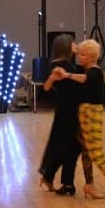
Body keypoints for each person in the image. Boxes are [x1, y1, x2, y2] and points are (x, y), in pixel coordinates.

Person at [48, 40, 105, 201]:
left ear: (91, 57)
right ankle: (87, 185)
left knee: (94, 153)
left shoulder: (95, 72)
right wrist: (76, 51)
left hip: (91, 114)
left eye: (83, 55)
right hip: (85, 113)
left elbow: (87, 78)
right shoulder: (87, 69)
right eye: (79, 54)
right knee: (84, 151)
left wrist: (66, 75)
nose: (79, 57)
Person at [38, 34, 83, 196]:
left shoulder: (61, 65)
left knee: (68, 146)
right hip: (69, 111)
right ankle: (53, 177)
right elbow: (47, 87)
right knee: (68, 147)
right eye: (74, 43)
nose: (76, 45)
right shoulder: (64, 66)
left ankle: (64, 182)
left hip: (65, 110)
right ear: (67, 46)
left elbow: (47, 87)